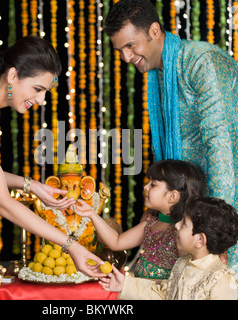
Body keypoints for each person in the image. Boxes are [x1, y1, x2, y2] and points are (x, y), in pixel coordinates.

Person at [0, 36, 105, 300]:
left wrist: (32, 186)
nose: (41, 100)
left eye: (46, 92)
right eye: (37, 89)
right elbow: (2, 203)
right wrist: (71, 245)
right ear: (13, 75)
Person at [104, 0, 238, 271]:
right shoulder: (160, 74)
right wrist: (160, 210)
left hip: (222, 211)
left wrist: (218, 234)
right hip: (190, 215)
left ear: (154, 31)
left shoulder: (201, 62)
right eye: (120, 50)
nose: (126, 57)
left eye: (131, 46)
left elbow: (220, 147)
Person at [72, 159, 204, 281]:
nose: (146, 187)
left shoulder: (184, 233)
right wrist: (92, 214)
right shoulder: (150, 224)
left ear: (173, 196)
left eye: (153, 184)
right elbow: (116, 242)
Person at [99, 196, 238, 300]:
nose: (176, 225)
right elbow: (164, 295)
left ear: (200, 240)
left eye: (184, 223)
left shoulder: (222, 280)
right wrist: (125, 284)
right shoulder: (182, 263)